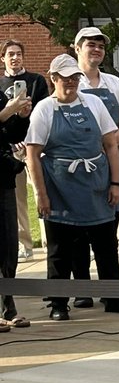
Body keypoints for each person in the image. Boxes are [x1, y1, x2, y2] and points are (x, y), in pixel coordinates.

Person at [25, 54, 119, 321]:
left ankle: (115, 297)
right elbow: (33, 154)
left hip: (96, 187)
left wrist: (115, 183)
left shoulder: (94, 103)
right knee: (60, 250)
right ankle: (58, 302)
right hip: (60, 190)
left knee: (106, 245)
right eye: (66, 78)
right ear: (53, 79)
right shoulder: (44, 109)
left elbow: (111, 145)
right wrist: (41, 195)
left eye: (75, 77)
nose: (71, 82)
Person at [70, 26, 119, 309]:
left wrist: (108, 144)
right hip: (78, 163)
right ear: (77, 48)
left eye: (100, 45)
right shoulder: (71, 81)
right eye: (90, 45)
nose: (96, 49)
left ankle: (111, 291)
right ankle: (82, 289)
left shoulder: (113, 83)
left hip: (110, 161)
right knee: (78, 231)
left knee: (108, 228)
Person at [0, 39, 50, 260]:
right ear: (3, 58)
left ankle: (51, 241)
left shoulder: (36, 81)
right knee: (19, 198)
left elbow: (44, 113)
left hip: (34, 147)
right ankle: (25, 244)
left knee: (43, 192)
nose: (15, 57)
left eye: (18, 53)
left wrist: (26, 117)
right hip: (10, 150)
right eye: (10, 54)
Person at [0, 85, 34, 329]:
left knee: (9, 246)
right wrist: (6, 111)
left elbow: (11, 135)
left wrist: (20, 117)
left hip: (4, 179)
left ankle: (8, 307)